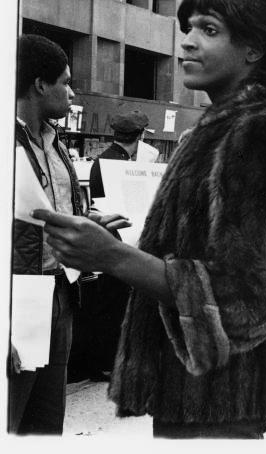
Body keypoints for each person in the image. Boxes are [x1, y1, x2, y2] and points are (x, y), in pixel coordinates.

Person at [33, 0, 266, 438]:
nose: (188, 44)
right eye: (188, 28)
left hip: (222, 403)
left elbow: (247, 298)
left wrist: (114, 258)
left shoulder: (262, 133)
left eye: (209, 30)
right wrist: (110, 246)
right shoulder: (211, 133)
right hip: (196, 395)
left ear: (254, 48)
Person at [9, 34, 129, 434]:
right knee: (11, 421)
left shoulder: (55, 144)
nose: (72, 92)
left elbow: (53, 215)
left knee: (45, 424)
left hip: (61, 293)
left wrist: (89, 223)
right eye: (66, 81)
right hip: (19, 301)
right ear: (40, 85)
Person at [68, 110, 150, 382]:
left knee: (112, 306)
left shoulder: (104, 160)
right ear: (138, 136)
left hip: (111, 242)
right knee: (112, 307)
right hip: (117, 242)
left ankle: (107, 362)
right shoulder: (119, 164)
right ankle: (105, 363)